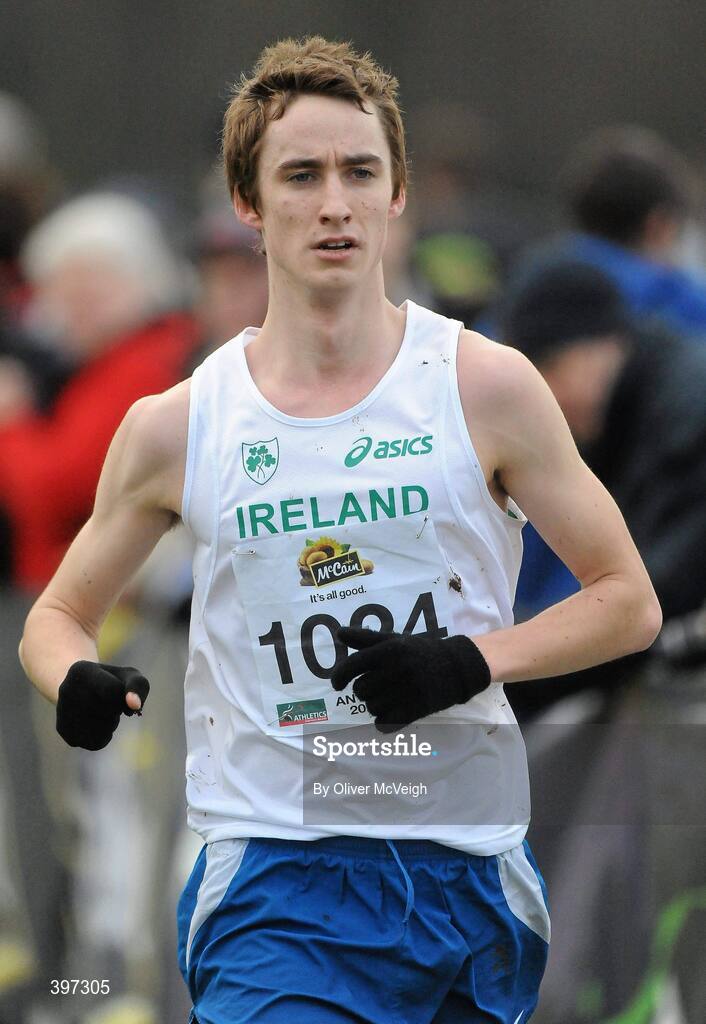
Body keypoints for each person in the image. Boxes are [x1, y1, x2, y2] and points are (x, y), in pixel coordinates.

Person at [19, 37, 661, 1023]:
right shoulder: (178, 424)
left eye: (360, 172)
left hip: (467, 875)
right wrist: (78, 679)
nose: (334, 202)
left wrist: (470, 661)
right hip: (277, 880)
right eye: (301, 174)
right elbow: (57, 613)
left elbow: (628, 602)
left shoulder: (484, 385)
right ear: (247, 202)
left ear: (397, 192)